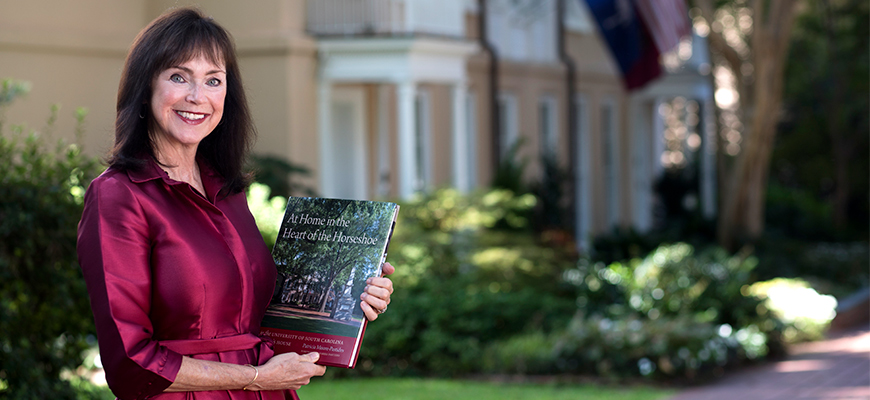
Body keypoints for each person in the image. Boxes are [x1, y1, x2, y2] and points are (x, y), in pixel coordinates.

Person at [76, 7, 394, 400]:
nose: (197, 97)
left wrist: (353, 298)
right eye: (179, 77)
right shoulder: (118, 195)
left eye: (213, 80)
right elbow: (130, 362)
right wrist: (255, 377)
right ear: (145, 87)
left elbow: (254, 322)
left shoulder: (226, 190)